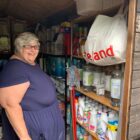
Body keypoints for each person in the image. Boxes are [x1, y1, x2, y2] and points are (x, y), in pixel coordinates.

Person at [0, 32, 65, 140]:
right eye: (29, 47)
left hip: (48, 128)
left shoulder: (29, 63)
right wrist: (24, 137)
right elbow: (9, 105)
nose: (34, 50)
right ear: (19, 47)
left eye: (36, 46)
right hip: (35, 133)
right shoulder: (14, 69)